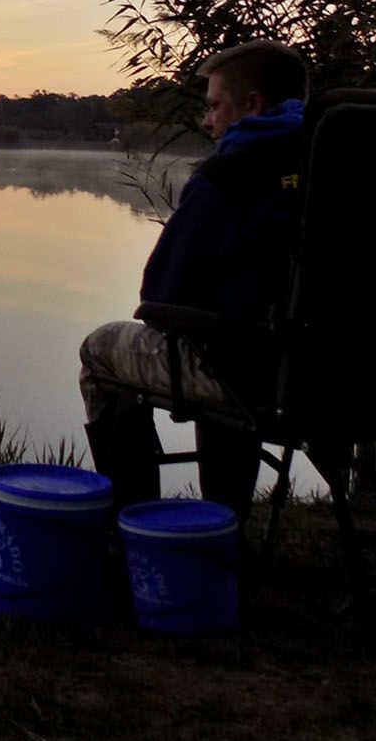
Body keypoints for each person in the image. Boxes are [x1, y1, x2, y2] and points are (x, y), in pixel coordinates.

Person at [78, 40, 310, 522]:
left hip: (249, 375)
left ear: (252, 104)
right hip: (346, 371)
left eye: (213, 106)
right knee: (220, 335)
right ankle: (224, 517)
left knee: (100, 351)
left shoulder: (225, 176)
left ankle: (133, 522)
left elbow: (160, 295)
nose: (206, 122)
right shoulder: (340, 168)